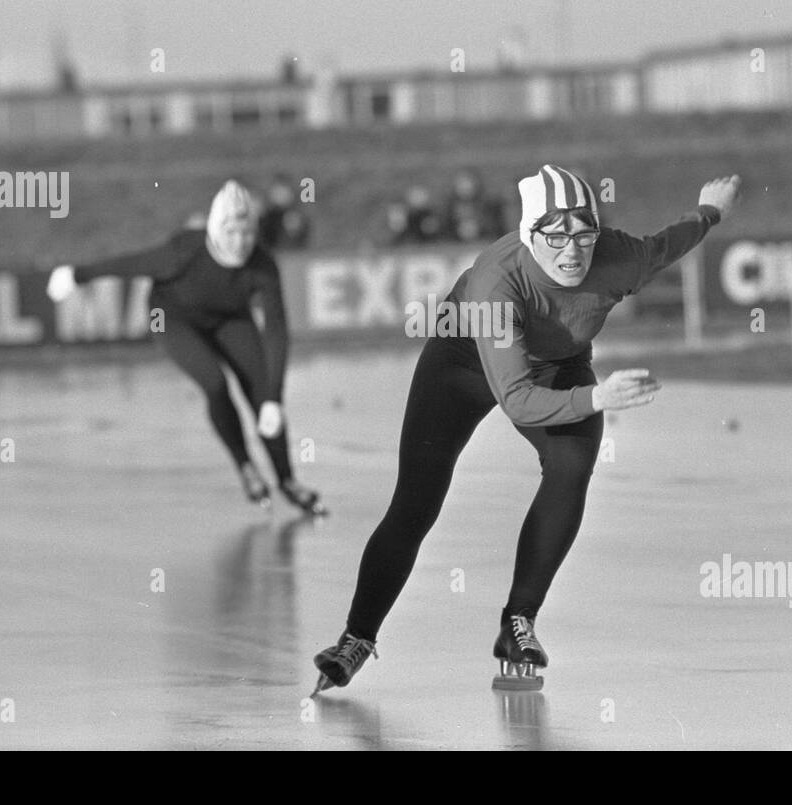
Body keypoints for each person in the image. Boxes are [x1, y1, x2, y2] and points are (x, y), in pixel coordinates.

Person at [311, 163, 740, 695]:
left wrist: (709, 211)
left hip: (558, 363)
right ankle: (356, 637)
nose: (572, 251)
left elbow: (666, 245)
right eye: (556, 236)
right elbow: (517, 401)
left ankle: (518, 623)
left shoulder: (619, 257)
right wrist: (598, 397)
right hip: (464, 363)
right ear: (529, 234)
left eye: (584, 235)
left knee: (571, 466)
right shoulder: (498, 280)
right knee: (417, 500)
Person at [46, 180, 326, 517]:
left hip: (229, 318)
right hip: (171, 318)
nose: (240, 243)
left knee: (261, 389)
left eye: (247, 233)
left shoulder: (263, 265)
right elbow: (131, 264)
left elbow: (277, 330)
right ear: (215, 230)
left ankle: (287, 480)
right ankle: (246, 467)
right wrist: (76, 275)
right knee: (215, 384)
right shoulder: (185, 250)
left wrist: (274, 399)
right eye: (232, 233)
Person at [445, 168, 507, 242]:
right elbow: (444, 229)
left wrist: (479, 227)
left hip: (485, 243)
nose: (465, 187)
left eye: (468, 182)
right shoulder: (449, 207)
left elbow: (497, 227)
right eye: (462, 183)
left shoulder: (489, 205)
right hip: (454, 246)